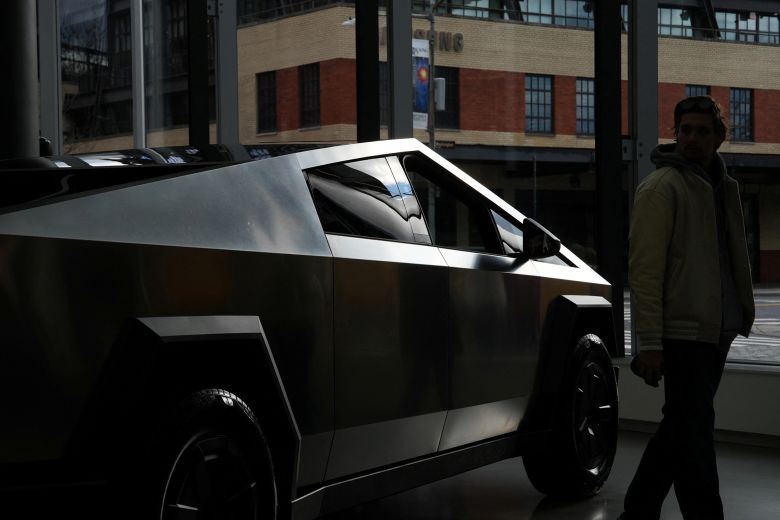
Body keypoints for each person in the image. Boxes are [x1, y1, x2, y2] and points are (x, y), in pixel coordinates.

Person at [619, 96, 755, 520]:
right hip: (682, 332)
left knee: (682, 429)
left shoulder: (721, 187)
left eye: (702, 131)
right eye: (686, 130)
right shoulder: (663, 188)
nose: (693, 138)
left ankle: (638, 512)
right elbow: (644, 271)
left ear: (718, 137)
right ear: (675, 133)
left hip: (714, 331)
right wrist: (650, 342)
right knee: (693, 434)